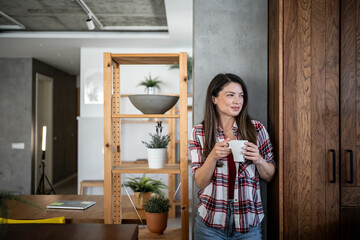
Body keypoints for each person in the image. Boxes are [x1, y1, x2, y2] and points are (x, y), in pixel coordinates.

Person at [189, 73, 276, 240]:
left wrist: (259, 159)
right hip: (210, 222)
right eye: (231, 95)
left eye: (241, 95)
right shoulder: (199, 132)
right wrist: (212, 157)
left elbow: (270, 175)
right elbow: (200, 181)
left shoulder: (256, 129)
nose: (238, 101)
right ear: (214, 98)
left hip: (248, 222)